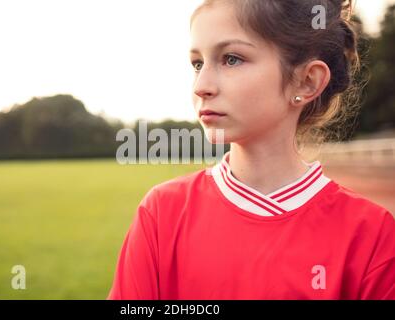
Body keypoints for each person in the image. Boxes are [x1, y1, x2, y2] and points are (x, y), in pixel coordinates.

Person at [107, 0, 395, 299]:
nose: (201, 85)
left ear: (307, 81)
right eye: (197, 64)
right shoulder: (162, 212)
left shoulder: (371, 234)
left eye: (231, 59)